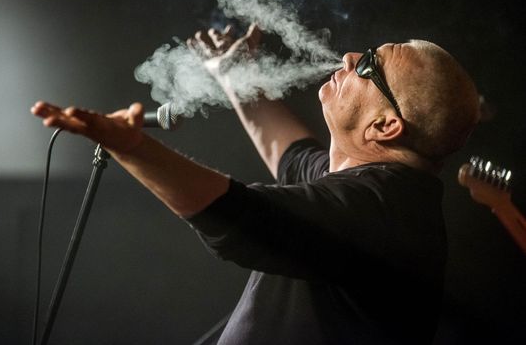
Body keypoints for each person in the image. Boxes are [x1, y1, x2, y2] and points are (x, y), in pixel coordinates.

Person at [31, 24, 480, 344]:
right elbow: (293, 157)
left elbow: (241, 219)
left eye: (369, 66)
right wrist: (234, 74)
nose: (349, 58)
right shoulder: (381, 190)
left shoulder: (380, 210)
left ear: (384, 126)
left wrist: (132, 147)